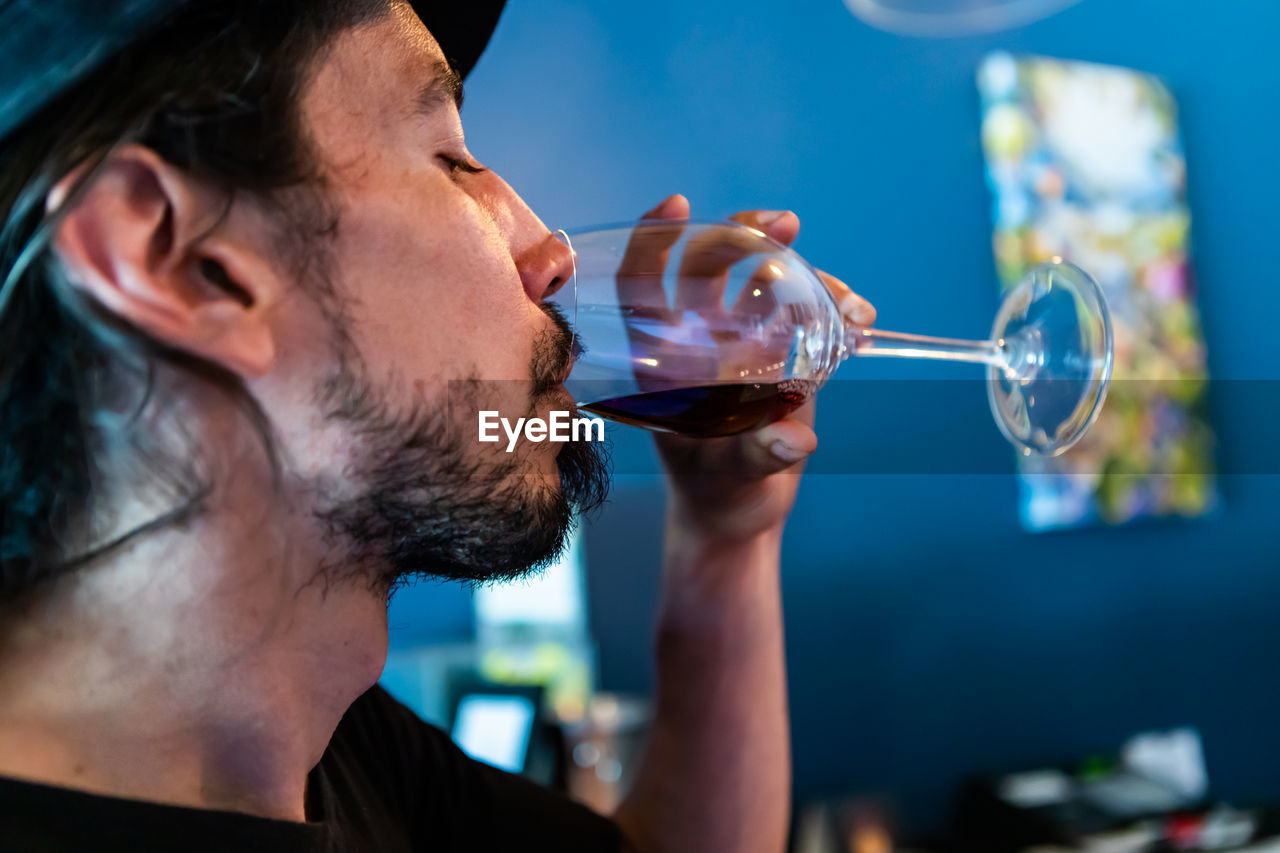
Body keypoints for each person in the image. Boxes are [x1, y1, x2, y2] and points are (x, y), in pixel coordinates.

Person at [0, 1, 876, 851]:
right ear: (175, 258)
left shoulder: (338, 748)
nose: (551, 252)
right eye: (451, 157)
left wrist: (724, 540)